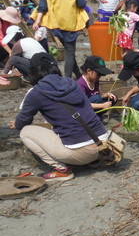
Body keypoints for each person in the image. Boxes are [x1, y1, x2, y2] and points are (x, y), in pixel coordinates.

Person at [11, 52, 109, 181]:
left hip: (81, 153)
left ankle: (61, 170)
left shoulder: (36, 93)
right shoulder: (71, 83)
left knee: (25, 132)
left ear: (33, 72)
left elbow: (23, 121)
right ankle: (90, 160)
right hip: (104, 145)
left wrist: (16, 123)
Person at [33, 0, 89, 79]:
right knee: (70, 52)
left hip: (54, 23)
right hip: (70, 22)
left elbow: (42, 5)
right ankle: (67, 79)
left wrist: (37, 21)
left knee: (69, 52)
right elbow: (81, 3)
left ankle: (78, 75)